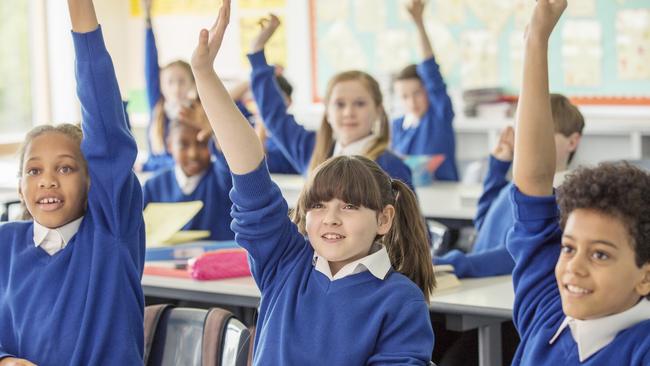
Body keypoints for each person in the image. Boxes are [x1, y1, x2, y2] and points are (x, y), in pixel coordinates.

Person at [189, 2, 435, 363]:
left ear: (384, 219)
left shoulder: (401, 300)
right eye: (318, 205)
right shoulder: (286, 263)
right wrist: (204, 74)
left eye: (350, 206)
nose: (331, 218)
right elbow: (249, 172)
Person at [0, 1, 145, 364]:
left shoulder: (111, 233)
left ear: (94, 180)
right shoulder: (5, 244)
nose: (47, 181)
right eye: (34, 171)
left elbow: (105, 121)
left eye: (65, 169)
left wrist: (81, 16)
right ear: (20, 187)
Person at [508, 0, 650, 364]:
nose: (574, 266)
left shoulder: (640, 349)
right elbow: (533, 180)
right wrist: (536, 39)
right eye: (568, 247)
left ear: (645, 278)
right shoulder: (549, 311)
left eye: (600, 254)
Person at [248, 15, 414, 188]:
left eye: (360, 104)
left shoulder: (391, 167)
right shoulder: (313, 151)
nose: (349, 112)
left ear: (378, 110)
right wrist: (256, 52)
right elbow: (275, 116)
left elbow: (407, 215)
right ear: (327, 112)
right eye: (340, 104)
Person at [436, 94, 584, 279]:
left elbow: (516, 254)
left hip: (497, 287)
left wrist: (455, 264)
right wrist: (497, 168)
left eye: (542, 134)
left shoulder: (562, 197)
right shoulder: (518, 184)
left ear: (572, 142)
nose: (528, 143)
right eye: (524, 133)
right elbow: (484, 226)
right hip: (480, 283)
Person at [391, 0, 458, 182]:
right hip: (408, 201)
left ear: (428, 90)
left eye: (417, 93)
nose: (412, 102)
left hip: (444, 200)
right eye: (405, 96)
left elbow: (430, 69)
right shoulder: (397, 127)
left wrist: (419, 24)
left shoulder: (439, 116)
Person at [143, 115, 235, 241]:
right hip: (165, 259)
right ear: (169, 145)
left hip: (217, 257)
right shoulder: (152, 186)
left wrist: (215, 131)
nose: (193, 154)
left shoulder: (222, 178)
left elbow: (229, 159)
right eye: (183, 145)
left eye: (202, 144)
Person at [141, 0, 197, 172]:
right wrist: (148, 19)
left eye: (182, 81)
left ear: (192, 84)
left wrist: (148, 165)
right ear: (162, 86)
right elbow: (150, 68)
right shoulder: (158, 109)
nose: (176, 88)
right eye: (170, 82)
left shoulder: (196, 113)